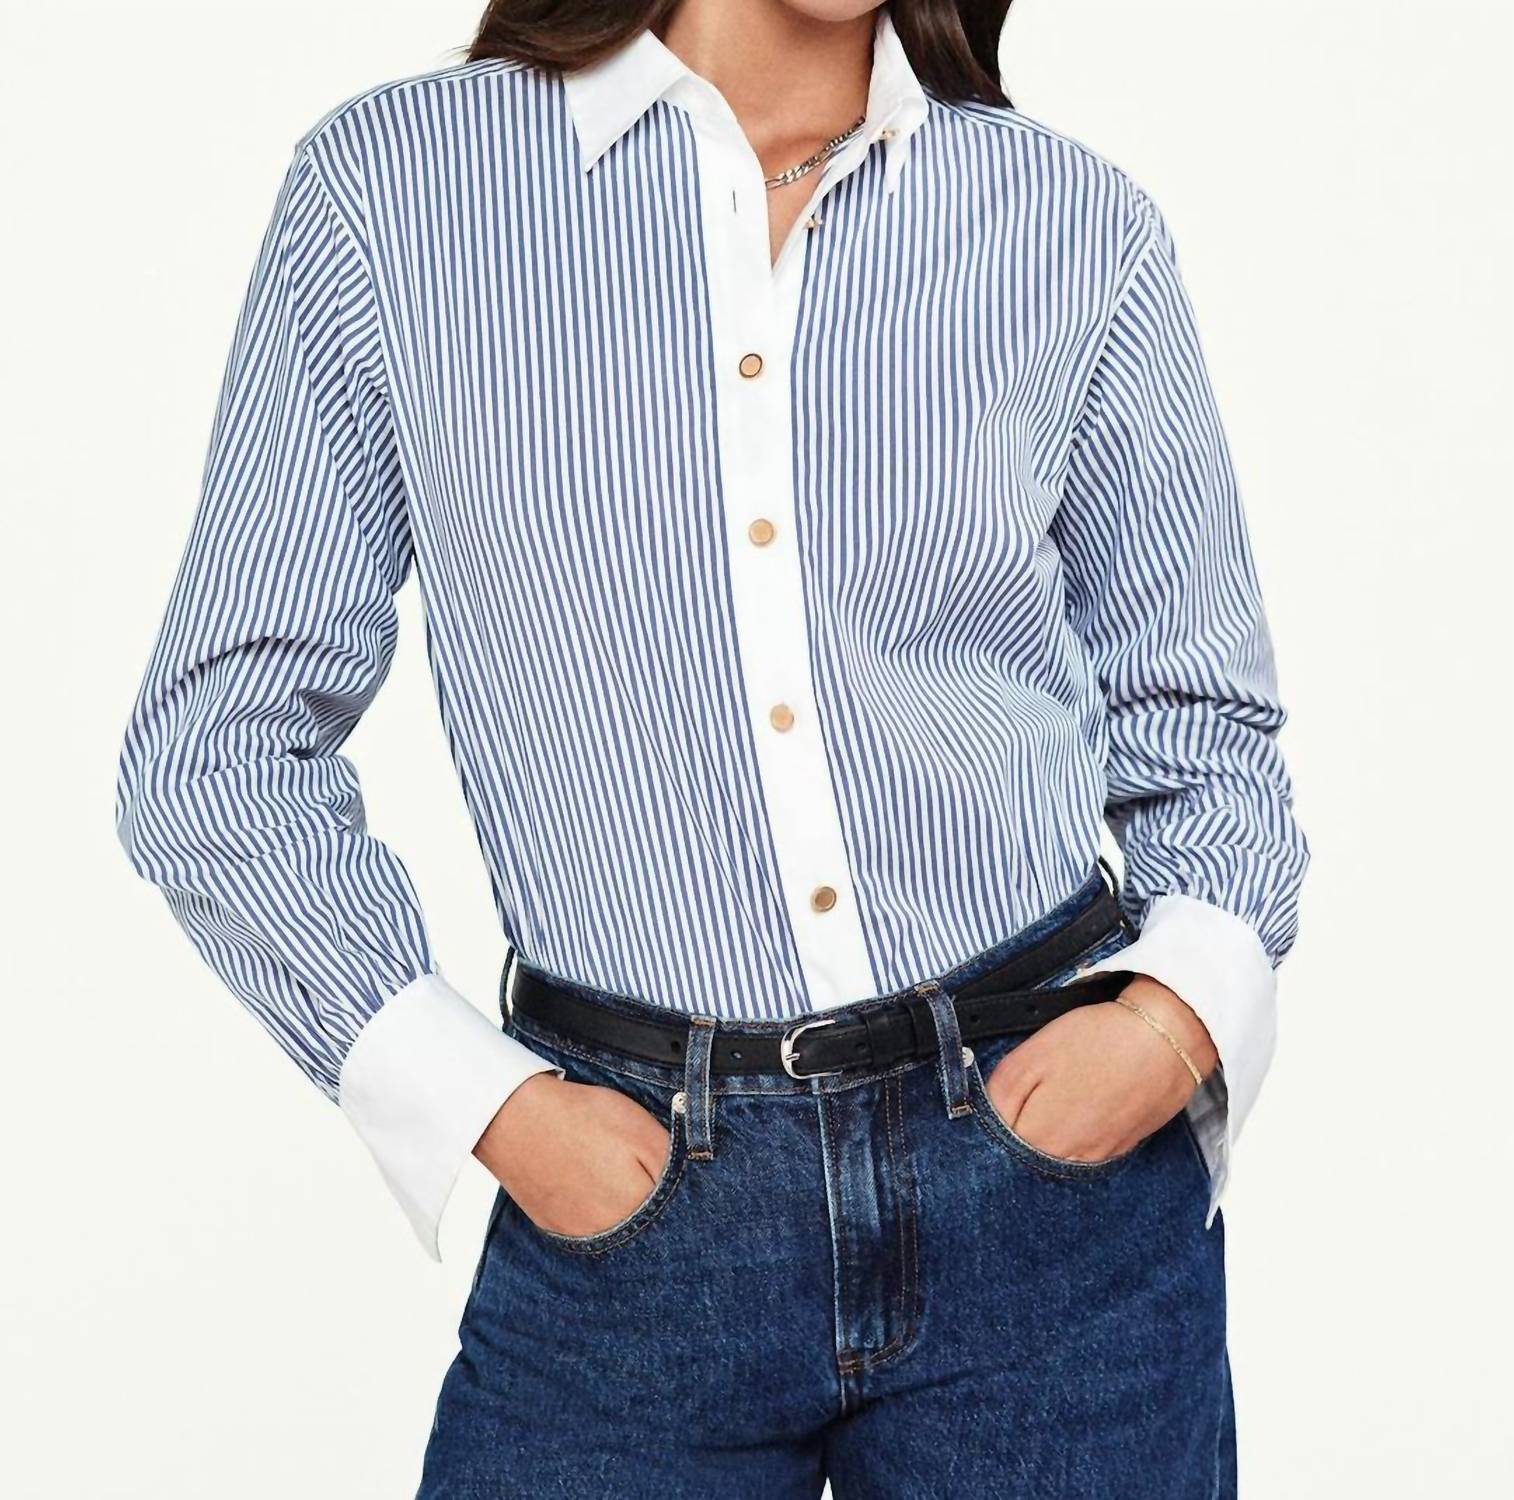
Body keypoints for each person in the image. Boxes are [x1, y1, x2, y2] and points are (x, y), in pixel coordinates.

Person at [114, 0, 1310, 1493]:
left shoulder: (1066, 221)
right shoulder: (397, 191)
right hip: (625, 1212)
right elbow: (215, 748)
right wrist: (490, 1108)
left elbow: (1201, 716)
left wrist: (1168, 1026)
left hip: (1050, 1198)